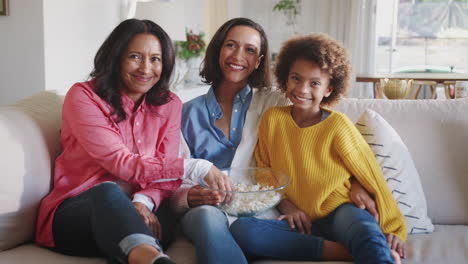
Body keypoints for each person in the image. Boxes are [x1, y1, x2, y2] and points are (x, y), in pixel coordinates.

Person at [171, 18, 380, 264]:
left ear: (259, 61)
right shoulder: (186, 113)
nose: (238, 55)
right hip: (208, 210)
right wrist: (189, 196)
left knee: (248, 231)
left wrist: (356, 182)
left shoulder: (276, 102)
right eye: (230, 45)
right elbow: (173, 178)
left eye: (250, 50)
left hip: (262, 209)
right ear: (217, 49)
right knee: (206, 217)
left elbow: (324, 139)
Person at [35, 19, 227, 264]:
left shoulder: (169, 104)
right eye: (135, 56)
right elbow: (121, 163)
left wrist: (142, 201)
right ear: (115, 58)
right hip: (80, 214)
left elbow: (165, 179)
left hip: (142, 213)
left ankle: (141, 252)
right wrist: (194, 166)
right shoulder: (84, 97)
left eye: (155, 59)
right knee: (107, 192)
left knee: (163, 216)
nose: (146, 68)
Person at [229, 33, 407, 263]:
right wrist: (288, 206)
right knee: (242, 231)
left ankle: (375, 252)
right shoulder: (272, 119)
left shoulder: (338, 125)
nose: (302, 89)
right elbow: (266, 172)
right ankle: (345, 251)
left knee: (366, 231)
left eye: (314, 83)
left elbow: (372, 176)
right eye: (296, 78)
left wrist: (394, 227)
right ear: (285, 78)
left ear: (329, 89)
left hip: (341, 211)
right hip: (300, 221)